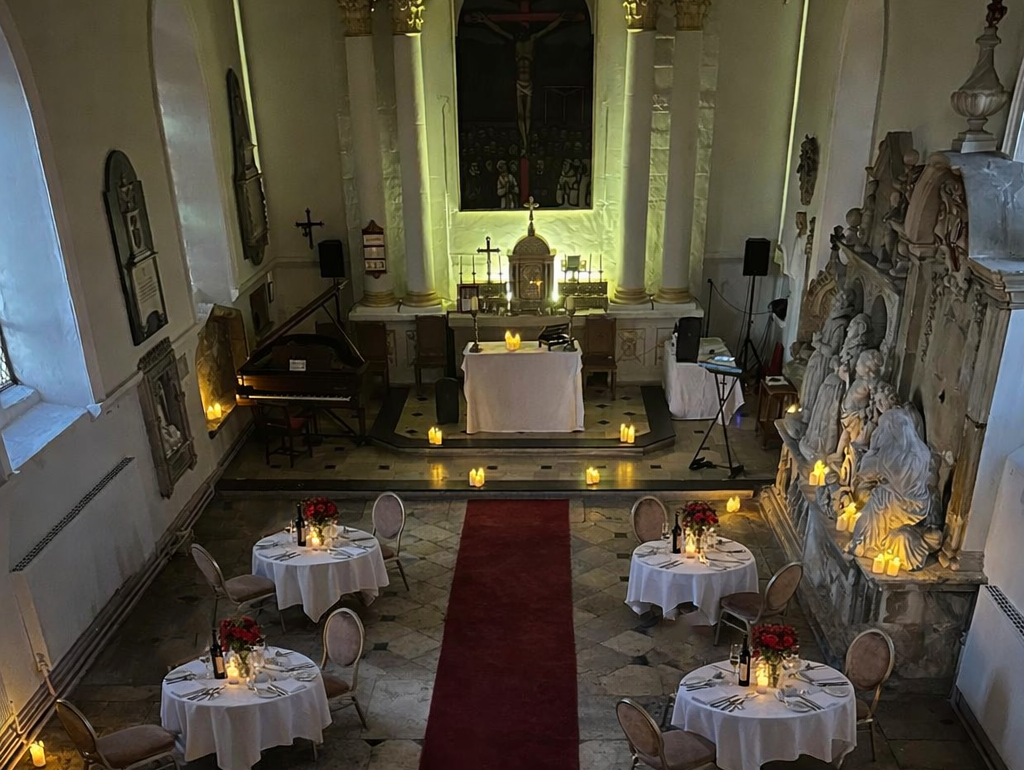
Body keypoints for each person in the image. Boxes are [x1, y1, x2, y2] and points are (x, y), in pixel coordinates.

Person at [467, 11, 569, 154]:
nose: (521, 34)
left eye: (523, 32)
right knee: (521, 115)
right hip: (519, 83)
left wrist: (559, 20)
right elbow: (499, 31)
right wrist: (485, 21)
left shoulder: (532, 41)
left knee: (527, 115)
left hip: (529, 83)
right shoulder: (516, 43)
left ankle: (526, 143)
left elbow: (546, 30)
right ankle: (525, 143)